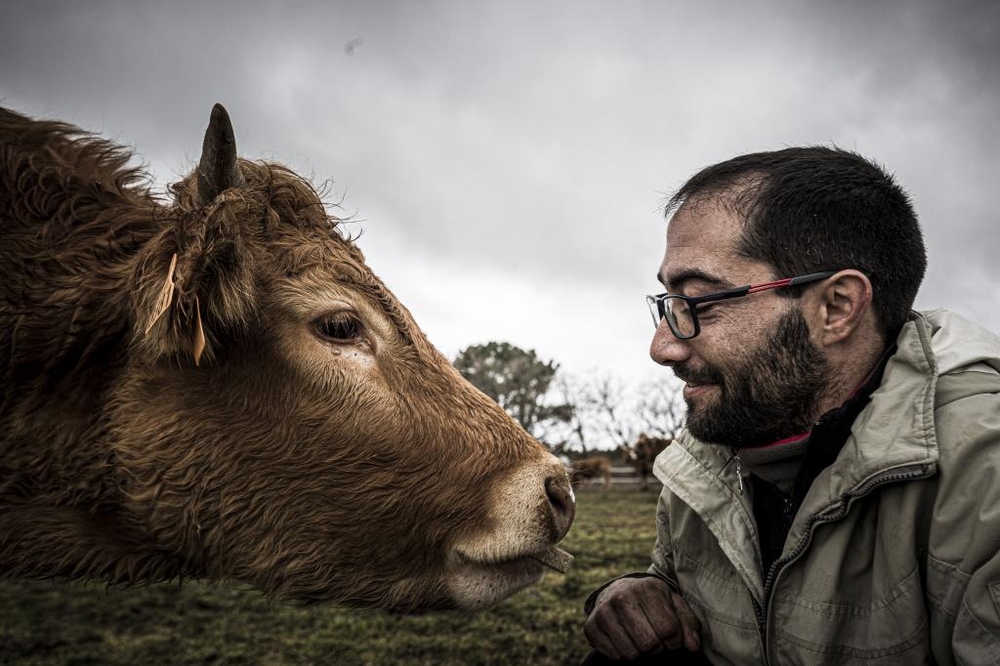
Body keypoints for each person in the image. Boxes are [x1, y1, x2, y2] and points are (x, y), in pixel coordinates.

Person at [582, 146, 1000, 664]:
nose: (662, 346)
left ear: (837, 307)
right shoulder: (710, 451)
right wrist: (643, 598)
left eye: (698, 302)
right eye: (668, 304)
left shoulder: (981, 477)